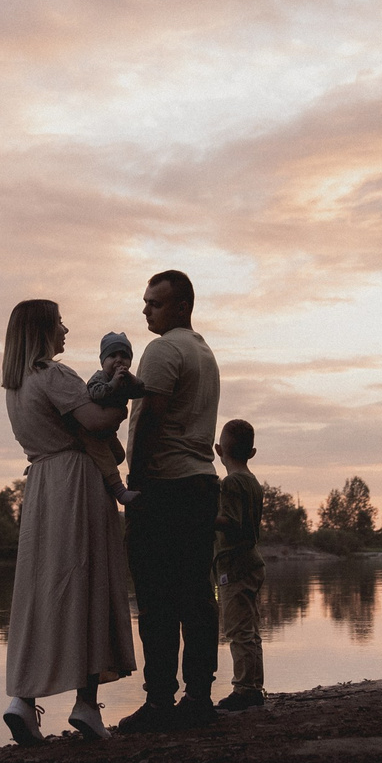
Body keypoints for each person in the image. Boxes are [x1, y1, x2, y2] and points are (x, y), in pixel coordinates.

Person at [0, 298, 137, 744]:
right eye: (59, 322)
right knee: (88, 585)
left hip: (40, 488)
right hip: (76, 483)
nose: (66, 329)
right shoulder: (54, 375)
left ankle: (22, 698)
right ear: (41, 331)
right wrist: (126, 406)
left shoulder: (16, 387)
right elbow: (96, 421)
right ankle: (85, 705)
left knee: (40, 590)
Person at [115, 269, 223, 732]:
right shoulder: (203, 350)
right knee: (197, 594)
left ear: (181, 306)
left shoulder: (163, 350)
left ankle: (160, 702)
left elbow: (150, 422)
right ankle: (199, 696)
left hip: (166, 487)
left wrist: (134, 487)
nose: (145, 310)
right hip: (201, 485)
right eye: (145, 302)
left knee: (157, 599)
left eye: (154, 303)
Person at [212, 419, 267, 712]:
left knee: (237, 631)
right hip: (251, 563)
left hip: (235, 566)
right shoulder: (253, 481)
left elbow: (232, 523)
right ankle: (253, 686)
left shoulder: (231, 483)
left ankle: (245, 689)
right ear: (252, 452)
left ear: (218, 449)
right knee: (250, 629)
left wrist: (202, 516)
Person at [80, 331, 147, 507]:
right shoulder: (99, 377)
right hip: (93, 433)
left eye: (124, 356)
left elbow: (140, 391)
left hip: (109, 432)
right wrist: (113, 384)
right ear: (103, 361)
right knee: (106, 458)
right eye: (112, 355)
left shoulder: (126, 380)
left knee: (118, 455)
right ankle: (119, 491)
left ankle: (101, 476)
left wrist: (130, 378)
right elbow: (95, 394)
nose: (118, 360)